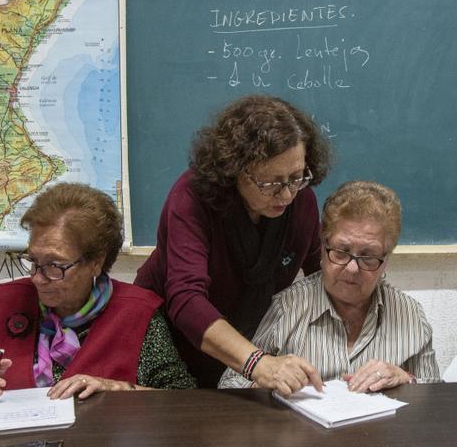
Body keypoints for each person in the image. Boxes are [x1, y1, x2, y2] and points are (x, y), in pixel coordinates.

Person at [135, 95, 332, 394]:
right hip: (170, 347)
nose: (287, 195)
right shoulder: (191, 198)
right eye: (270, 182)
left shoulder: (301, 202)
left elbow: (324, 275)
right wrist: (259, 363)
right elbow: (187, 300)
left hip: (245, 351)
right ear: (234, 169)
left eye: (296, 177)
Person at [0, 183, 194, 397]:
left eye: (55, 266)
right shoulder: (8, 303)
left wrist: (116, 388)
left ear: (96, 261)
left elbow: (182, 398)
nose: (37, 278)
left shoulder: (137, 314)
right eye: (33, 261)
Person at [219, 181, 439, 391]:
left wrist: (407, 381)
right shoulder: (287, 307)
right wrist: (264, 381)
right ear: (322, 249)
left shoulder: (409, 314)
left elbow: (437, 398)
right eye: (341, 252)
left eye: (369, 257)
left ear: (386, 260)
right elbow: (230, 384)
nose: (352, 269)